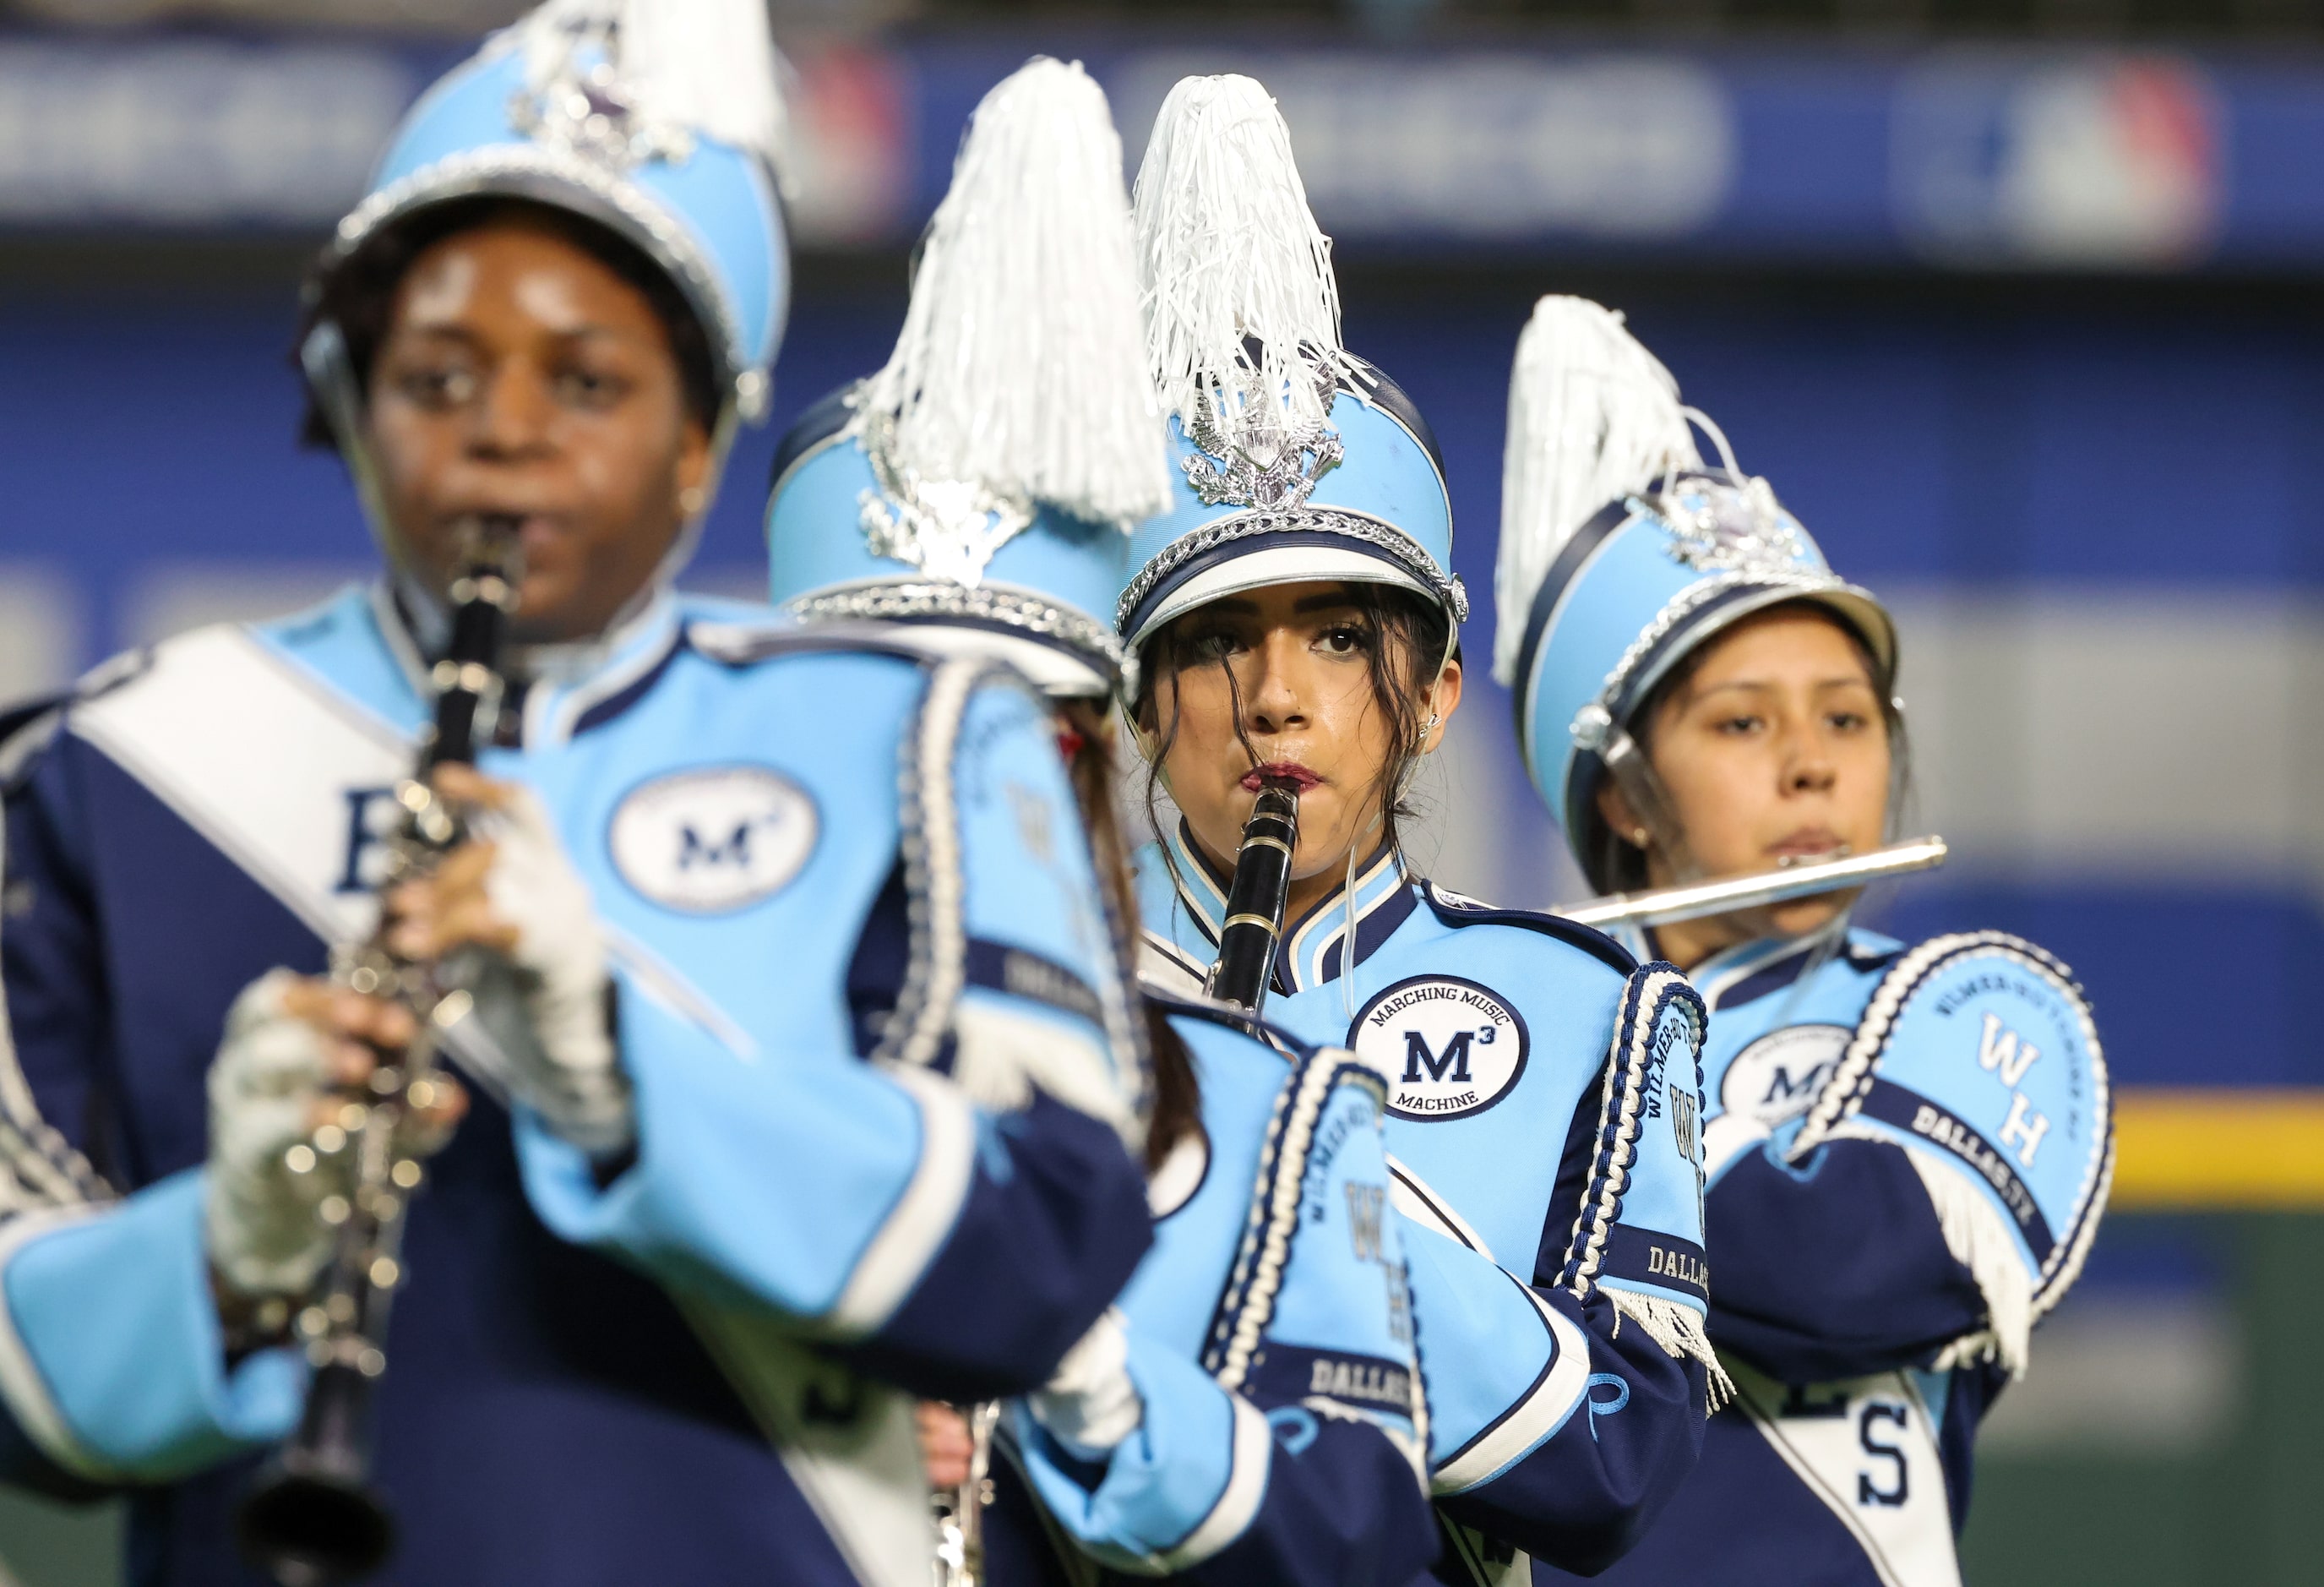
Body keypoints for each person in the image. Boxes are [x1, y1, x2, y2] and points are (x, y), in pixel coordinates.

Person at [0, 6, 1154, 1582]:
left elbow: (1051, 1244)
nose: (507, 436)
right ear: (346, 403)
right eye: (438, 374)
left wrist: (621, 1074)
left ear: (699, 442)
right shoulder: (123, 764)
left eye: (589, 381)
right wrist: (218, 1259)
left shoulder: (915, 738)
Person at [769, 57, 1439, 1584]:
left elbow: (1356, 1535)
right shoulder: (662, 1050)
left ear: (1083, 751)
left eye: (1000, 732)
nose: (935, 778)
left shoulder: (1269, 1110)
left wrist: (1091, 1393)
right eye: (883, 712)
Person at [1118, 75, 1720, 1584]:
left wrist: (1301, 1162)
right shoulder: (1023, 1003)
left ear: (1435, 692)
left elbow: (1609, 1465)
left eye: (1334, 638)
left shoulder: (1594, 1015)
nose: (1272, 698)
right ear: (1138, 701)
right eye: (1211, 643)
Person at [1493, 295, 2114, 1586]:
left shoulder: (1973, 1006)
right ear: (1617, 792)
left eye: (1845, 719)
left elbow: (1852, 1267)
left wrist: (1515, 1134)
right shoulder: (1517, 1026)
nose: (1809, 767)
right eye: (1740, 724)